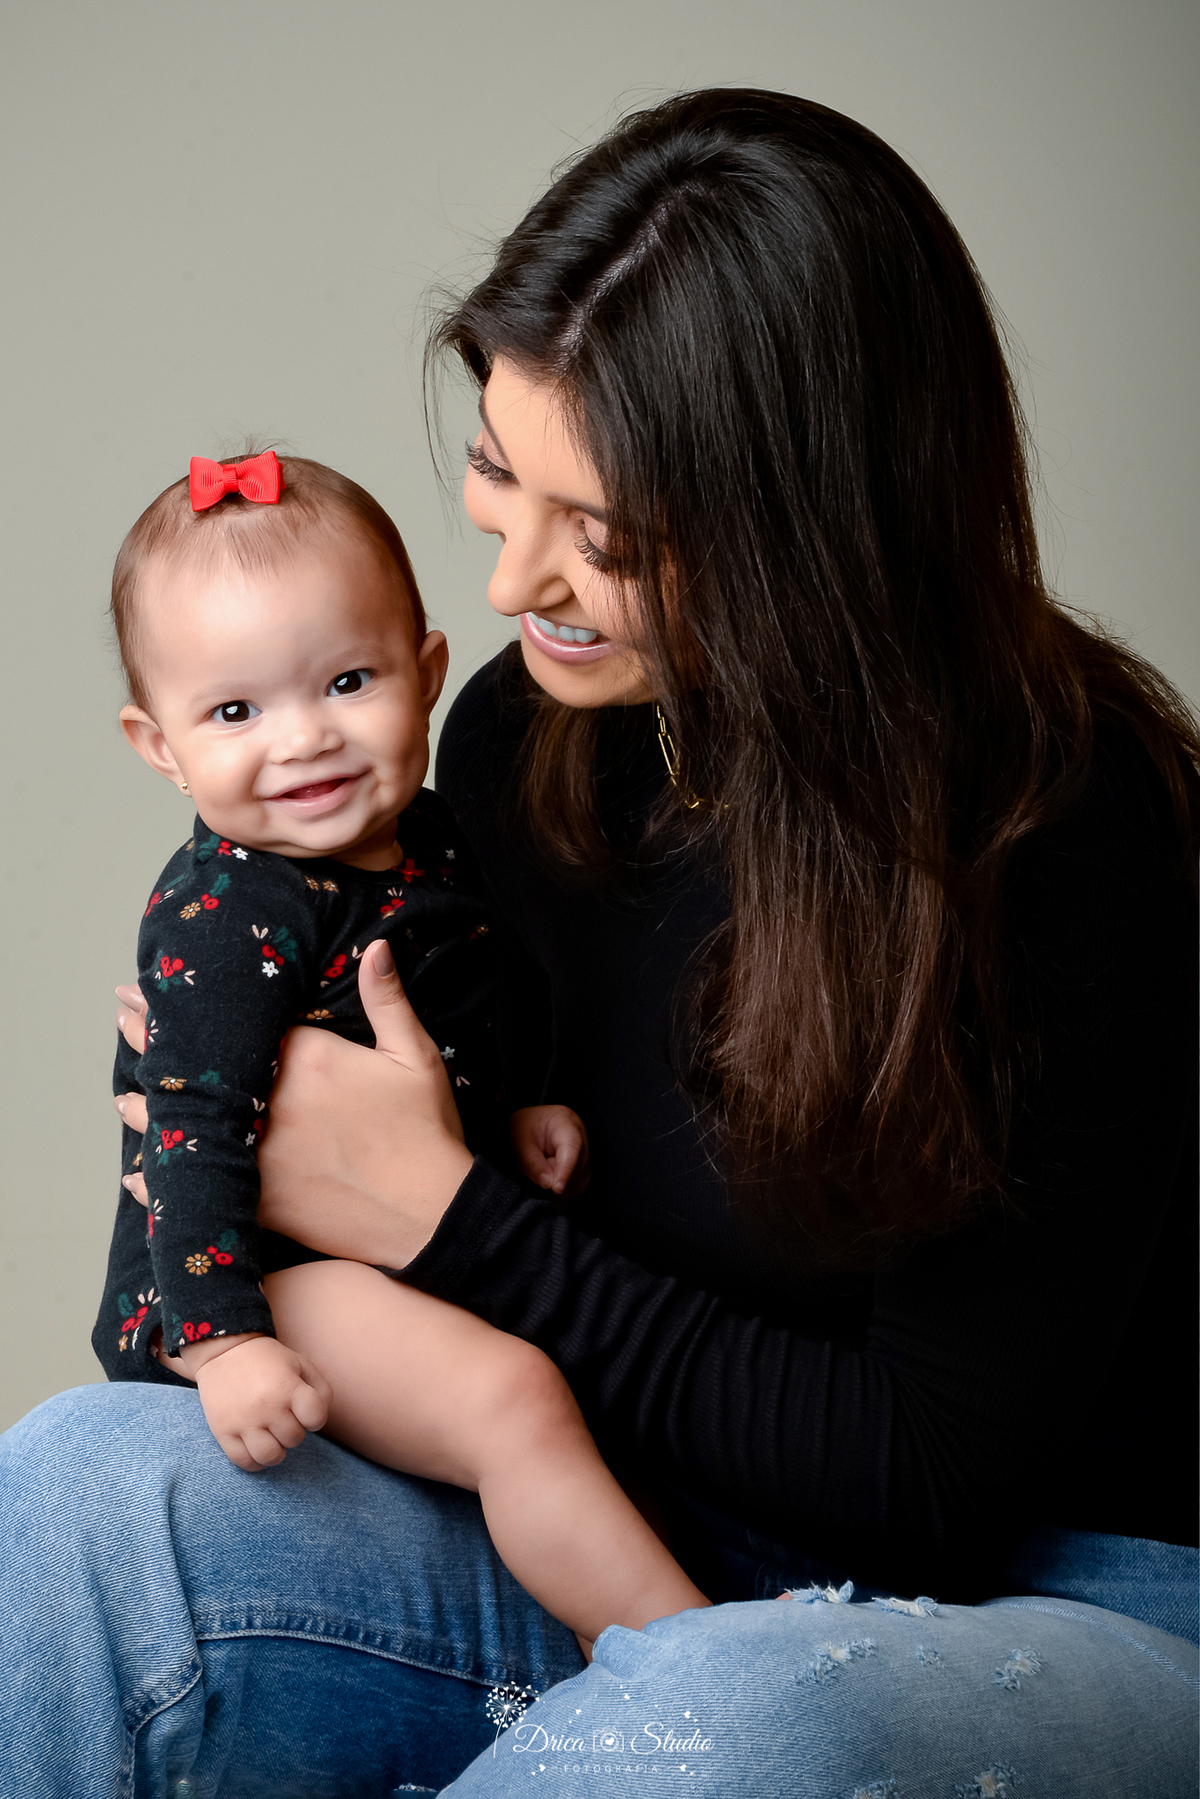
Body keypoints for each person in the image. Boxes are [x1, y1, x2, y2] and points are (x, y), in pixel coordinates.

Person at [1, 87, 1197, 1798]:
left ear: (814, 536)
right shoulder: (524, 733)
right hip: (622, 1527)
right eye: (499, 470)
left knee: (726, 1728)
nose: (514, 585)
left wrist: (452, 1217)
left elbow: (938, 1477)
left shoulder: (1066, 825)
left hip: (1056, 1590)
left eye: (608, 538)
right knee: (73, 1489)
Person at [93, 446, 706, 1652]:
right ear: (159, 744)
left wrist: (515, 1110)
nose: (303, 740)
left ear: (426, 674)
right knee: (511, 1399)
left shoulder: (429, 831)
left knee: (554, 1382)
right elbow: (191, 1131)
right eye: (234, 711)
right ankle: (689, 1654)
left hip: (379, 1243)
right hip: (254, 1279)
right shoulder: (232, 911)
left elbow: (465, 1000)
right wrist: (224, 1341)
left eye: (348, 680)